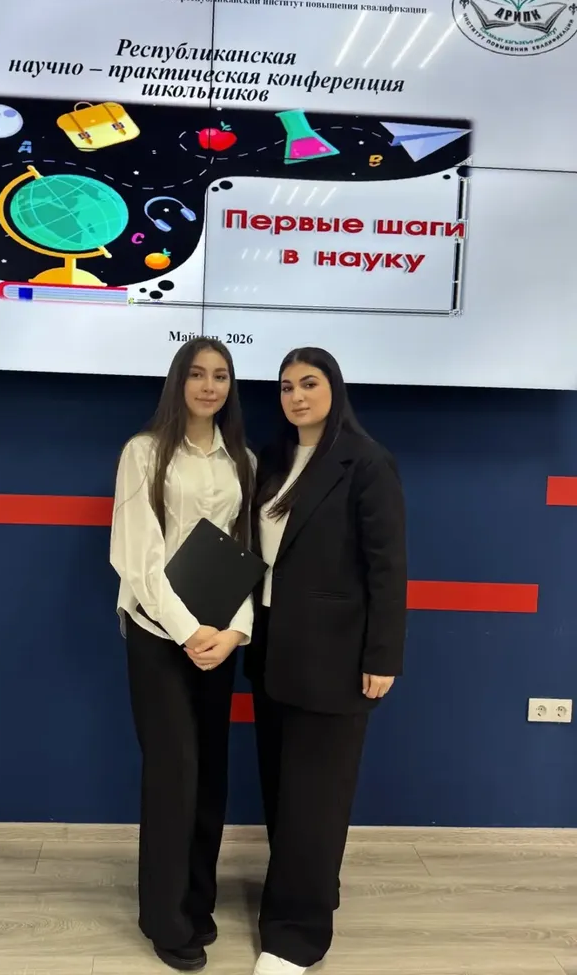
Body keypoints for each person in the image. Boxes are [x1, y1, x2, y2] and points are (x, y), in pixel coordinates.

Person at [246, 347, 407, 975]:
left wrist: (382, 655)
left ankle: (296, 938)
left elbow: (387, 567)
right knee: (284, 793)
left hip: (336, 661)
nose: (297, 396)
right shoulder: (274, 461)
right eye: (286, 386)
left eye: (309, 383)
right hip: (273, 655)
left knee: (315, 800)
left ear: (334, 389)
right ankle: (312, 890)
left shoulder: (366, 462)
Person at [110, 337, 255, 972]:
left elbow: (248, 553)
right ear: (179, 381)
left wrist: (235, 632)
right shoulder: (143, 453)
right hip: (158, 633)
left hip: (219, 639)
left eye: (220, 375)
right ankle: (164, 919)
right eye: (197, 374)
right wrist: (186, 628)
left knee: (210, 774)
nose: (209, 386)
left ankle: (198, 902)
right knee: (174, 773)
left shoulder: (242, 460)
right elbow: (135, 555)